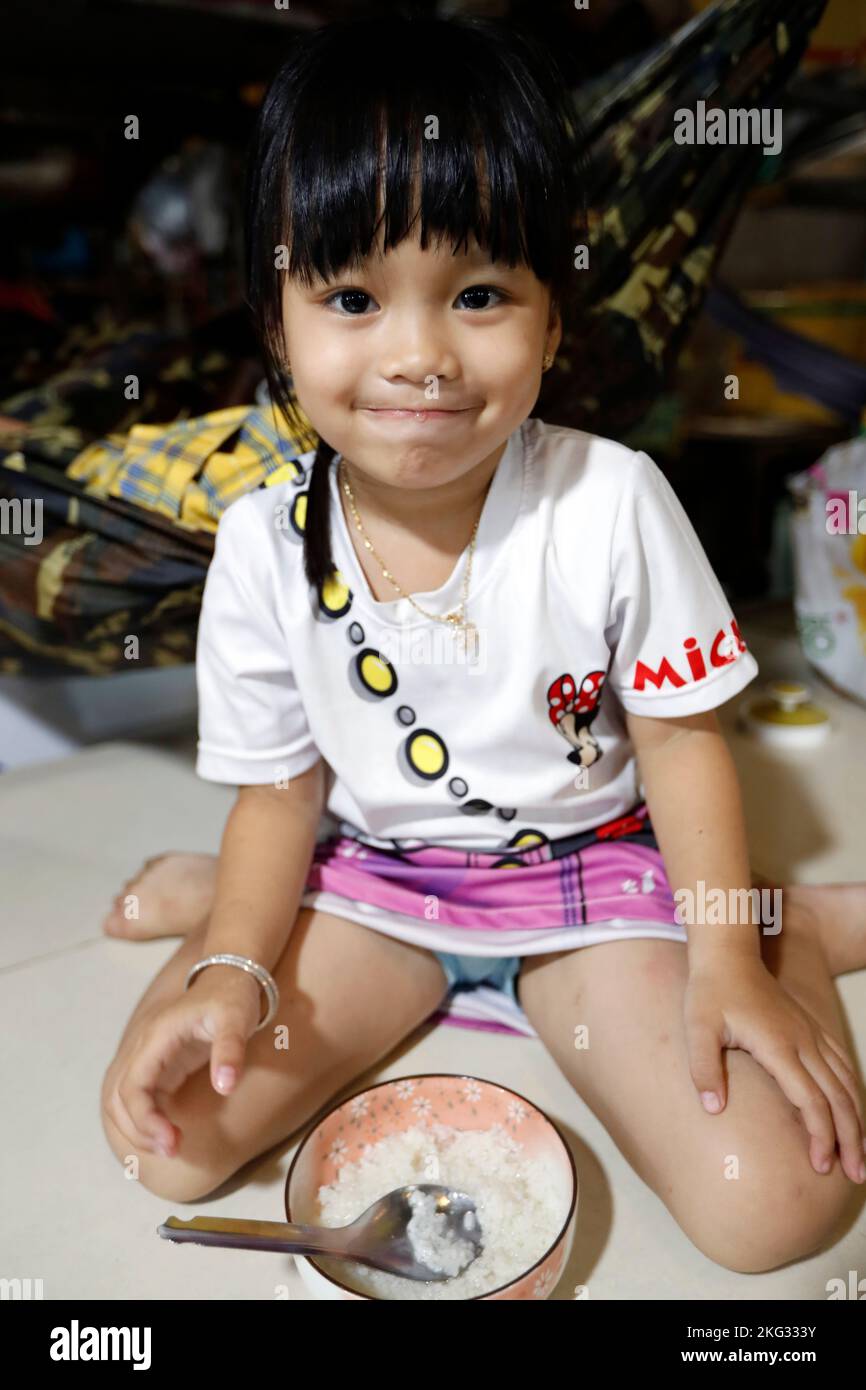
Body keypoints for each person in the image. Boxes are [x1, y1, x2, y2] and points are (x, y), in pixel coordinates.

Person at [100, 12, 866, 1277]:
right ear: (274, 323)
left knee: (775, 1208)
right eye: (350, 296)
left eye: (475, 294)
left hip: (588, 887)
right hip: (371, 888)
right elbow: (282, 788)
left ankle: (786, 924)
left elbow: (679, 744)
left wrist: (726, 954)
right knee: (165, 1141)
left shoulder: (608, 500)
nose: (418, 356)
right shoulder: (256, 541)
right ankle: (221, 898)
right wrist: (237, 957)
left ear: (552, 318)